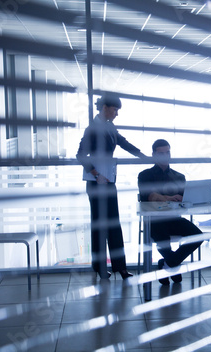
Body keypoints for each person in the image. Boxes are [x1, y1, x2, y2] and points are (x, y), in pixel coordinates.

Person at [77, 94, 147, 280]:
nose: (116, 114)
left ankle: (120, 268)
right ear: (105, 107)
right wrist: (96, 174)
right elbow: (81, 155)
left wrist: (143, 157)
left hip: (108, 181)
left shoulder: (109, 126)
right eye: (115, 110)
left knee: (114, 224)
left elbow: (123, 142)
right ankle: (100, 268)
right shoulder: (92, 129)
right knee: (100, 226)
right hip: (97, 182)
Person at [137, 139, 203, 285]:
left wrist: (183, 199)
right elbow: (150, 196)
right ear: (154, 155)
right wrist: (168, 198)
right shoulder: (145, 175)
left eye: (167, 152)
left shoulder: (179, 177)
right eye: (161, 153)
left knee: (198, 236)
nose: (165, 156)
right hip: (153, 221)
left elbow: (185, 200)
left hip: (174, 219)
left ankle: (167, 264)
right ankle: (173, 265)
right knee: (161, 237)